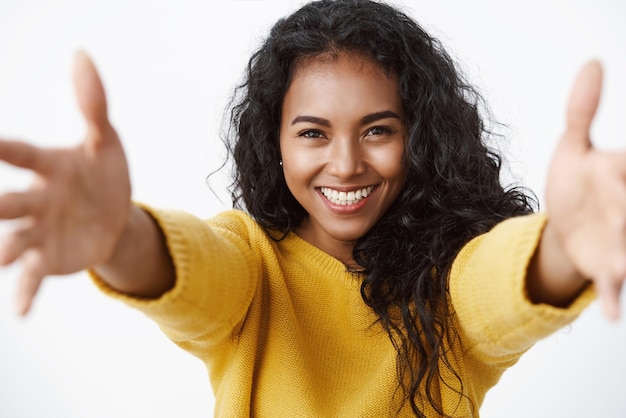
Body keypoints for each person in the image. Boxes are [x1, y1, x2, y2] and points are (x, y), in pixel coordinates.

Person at [0, 0, 622, 416]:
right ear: (274, 140)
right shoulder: (253, 262)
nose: (346, 164)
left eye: (378, 130)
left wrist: (565, 244)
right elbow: (193, 274)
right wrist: (119, 237)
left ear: (421, 136)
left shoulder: (447, 283)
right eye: (313, 133)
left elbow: (497, 286)